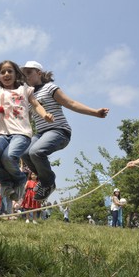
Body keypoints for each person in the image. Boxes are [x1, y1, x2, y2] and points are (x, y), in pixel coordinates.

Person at [20, 61, 109, 202]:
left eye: (29, 73)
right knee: (24, 152)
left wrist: (95, 112)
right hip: (41, 133)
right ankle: (45, 181)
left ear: (39, 73)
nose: (26, 77)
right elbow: (26, 119)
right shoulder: (28, 95)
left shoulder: (50, 88)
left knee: (35, 152)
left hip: (59, 131)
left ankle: (48, 183)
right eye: (24, 75)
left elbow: (71, 103)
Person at [0, 60, 53, 206]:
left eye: (10, 71)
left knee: (9, 156)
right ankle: (6, 183)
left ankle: (20, 179)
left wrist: (45, 114)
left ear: (16, 74)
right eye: (3, 72)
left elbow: (35, 104)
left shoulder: (24, 89)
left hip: (22, 133)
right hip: (3, 134)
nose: (6, 74)